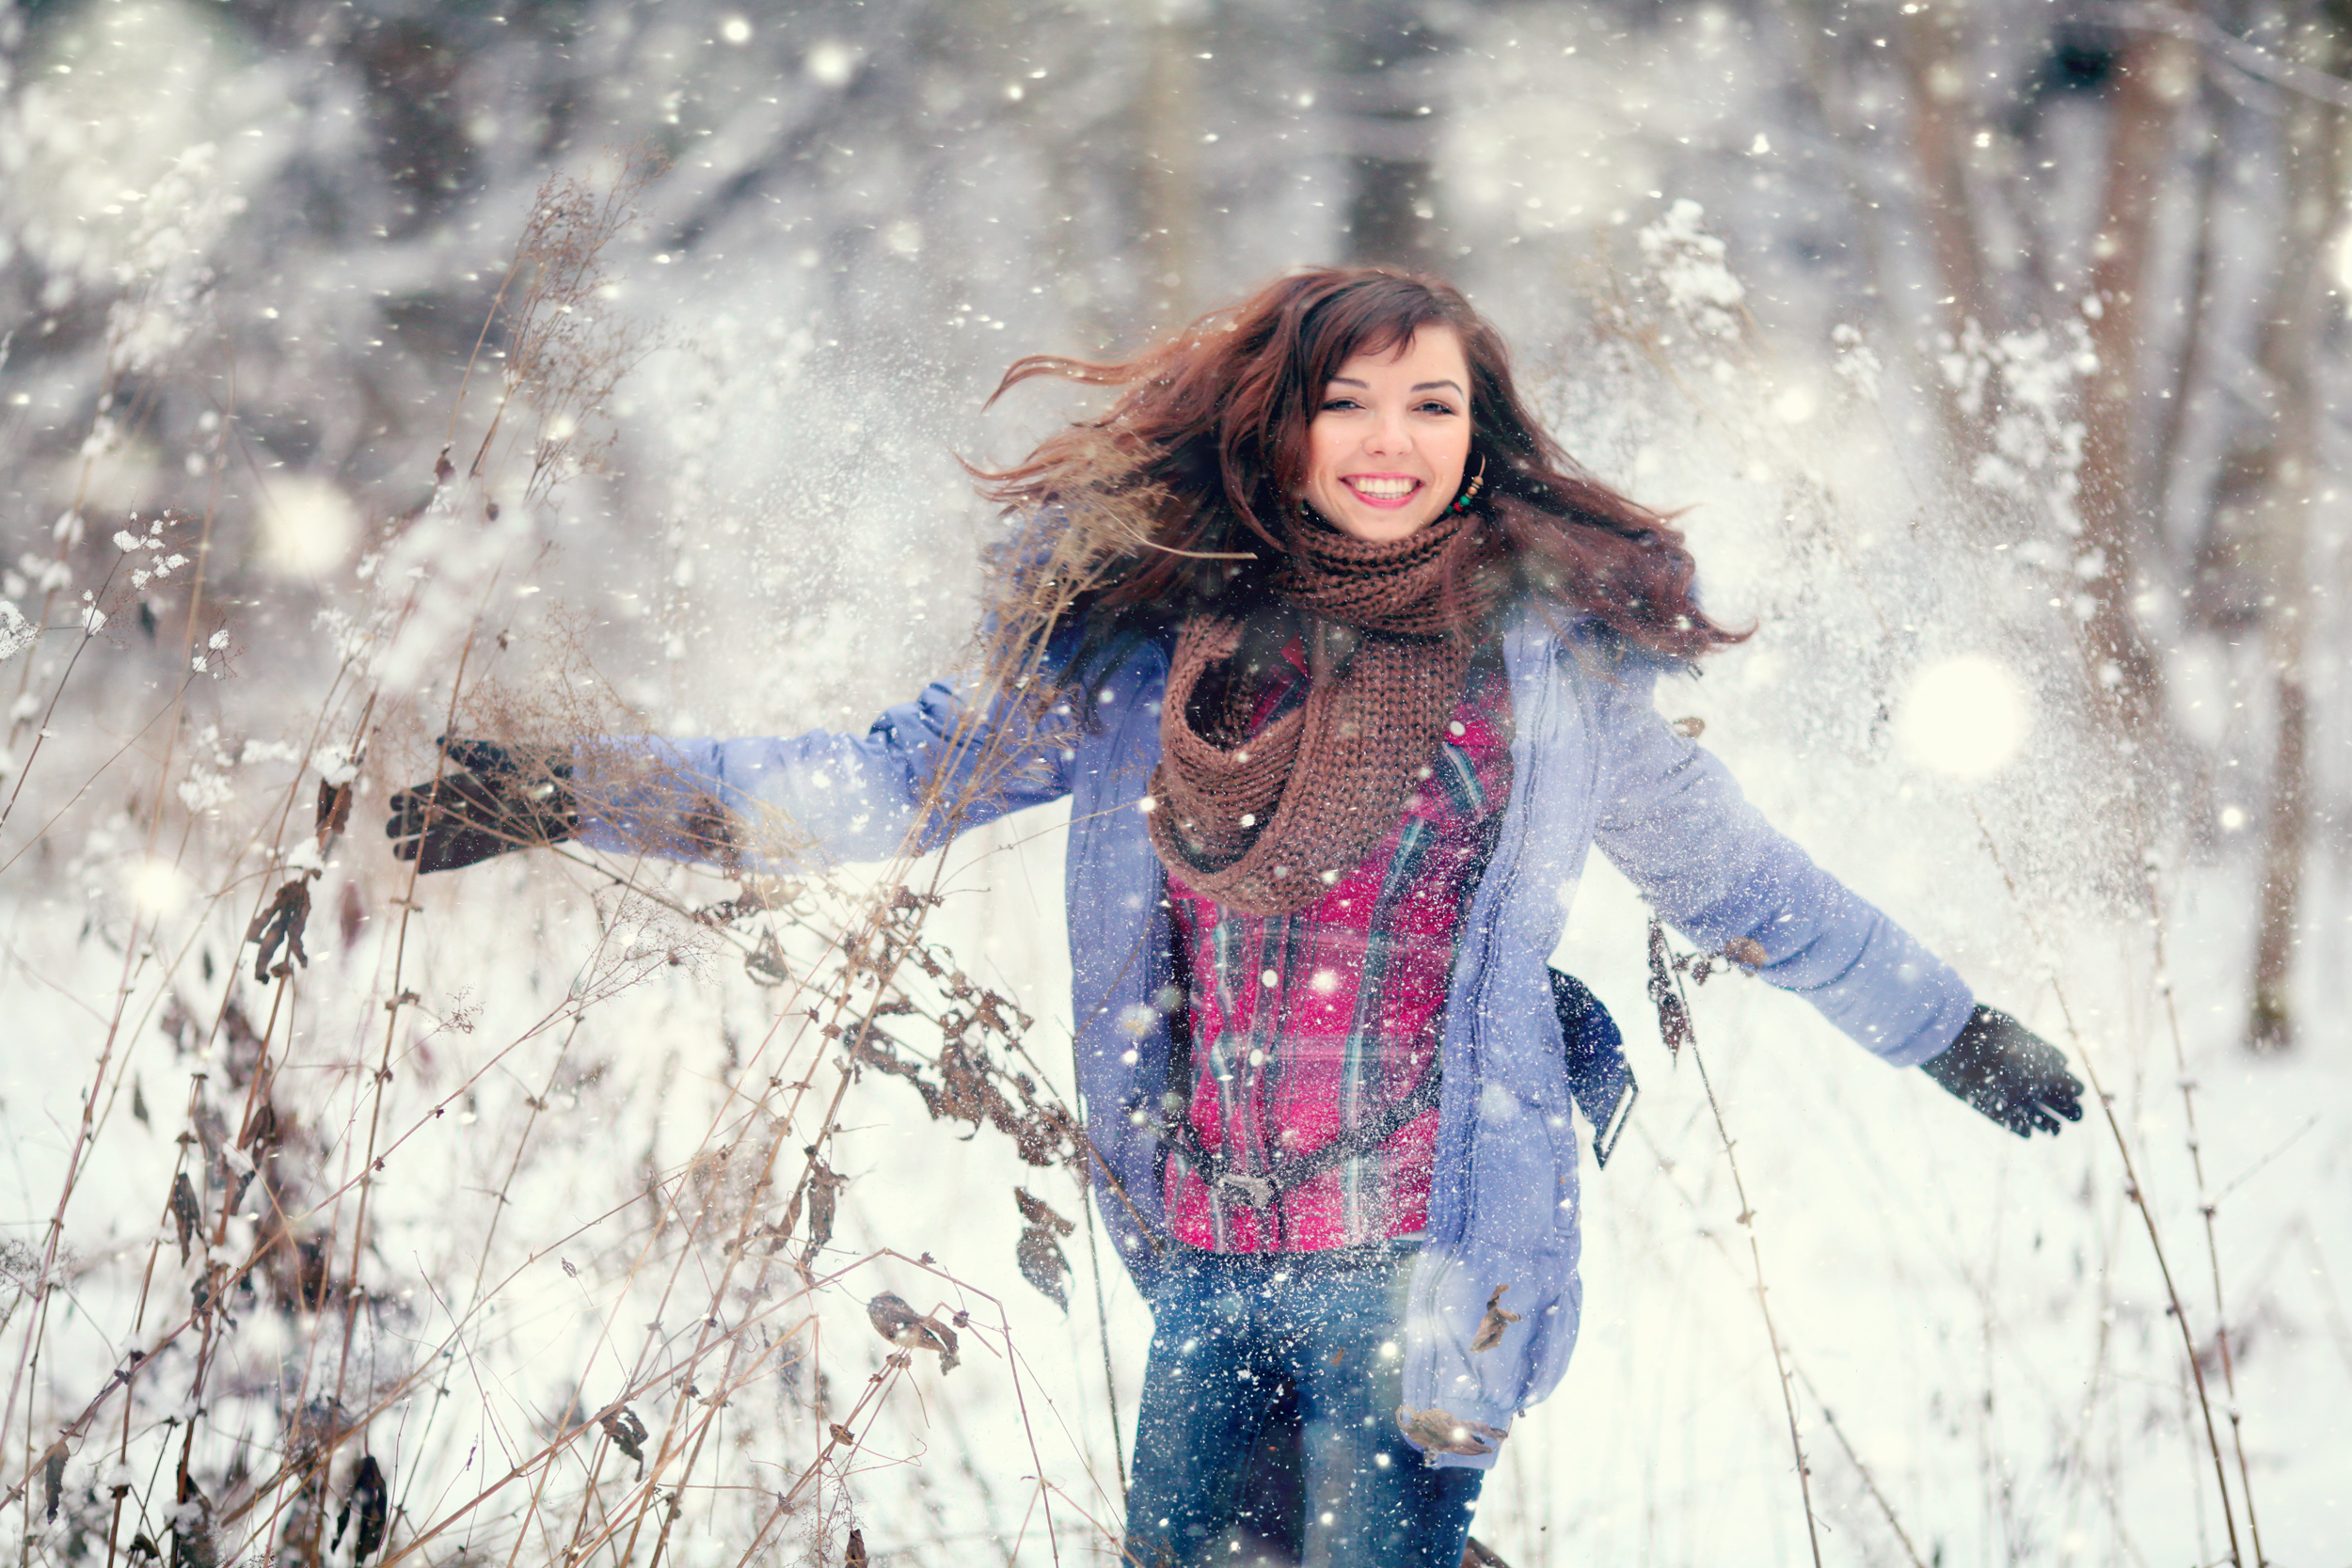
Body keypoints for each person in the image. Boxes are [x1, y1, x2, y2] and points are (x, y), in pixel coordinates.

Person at [388, 267, 2084, 1568]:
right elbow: (882, 779)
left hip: (1440, 1255)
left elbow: (1744, 887)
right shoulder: (1147, 659)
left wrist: (1946, 1029)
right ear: (1280, 424)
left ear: (1479, 432)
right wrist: (574, 796)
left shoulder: (1545, 680)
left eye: (1434, 406)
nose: (1394, 444)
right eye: (1352, 404)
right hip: (1209, 1252)